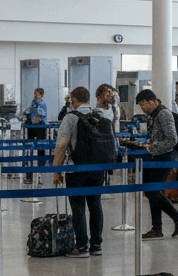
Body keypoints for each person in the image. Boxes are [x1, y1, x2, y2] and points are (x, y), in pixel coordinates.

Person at [52, 87, 113, 258]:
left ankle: (81, 247)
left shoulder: (71, 117)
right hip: (97, 169)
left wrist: (57, 171)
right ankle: (96, 245)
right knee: (95, 205)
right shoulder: (100, 115)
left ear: (73, 99)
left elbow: (61, 146)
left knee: (78, 207)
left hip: (76, 169)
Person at [134, 89, 178, 240]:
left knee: (153, 191)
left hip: (165, 156)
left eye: (143, 104)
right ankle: (157, 229)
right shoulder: (154, 115)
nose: (142, 108)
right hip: (158, 155)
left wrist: (154, 146)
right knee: (152, 192)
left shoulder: (163, 114)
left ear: (151, 101)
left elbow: (172, 139)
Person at [23, 88, 48, 184]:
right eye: (34, 94)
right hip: (32, 128)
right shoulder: (33, 103)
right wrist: (25, 118)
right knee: (29, 149)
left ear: (41, 95)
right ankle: (29, 175)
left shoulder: (41, 103)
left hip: (40, 127)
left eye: (37, 94)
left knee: (40, 149)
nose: (35, 96)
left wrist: (35, 121)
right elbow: (27, 112)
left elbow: (40, 115)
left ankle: (40, 174)